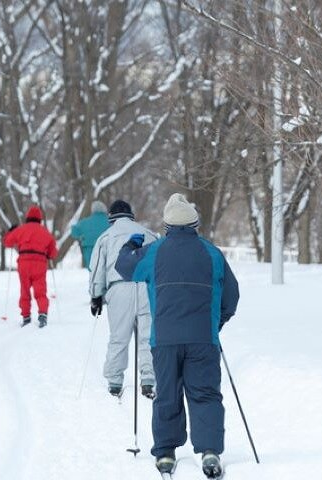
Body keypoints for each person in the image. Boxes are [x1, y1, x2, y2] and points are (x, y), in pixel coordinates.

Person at [115, 193, 239, 479]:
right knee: (205, 394)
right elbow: (231, 297)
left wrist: (132, 243)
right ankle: (209, 452)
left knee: (167, 395)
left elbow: (124, 267)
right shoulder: (212, 253)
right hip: (203, 339)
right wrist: (214, 324)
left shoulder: (154, 251)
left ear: (167, 225)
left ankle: (166, 453)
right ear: (195, 224)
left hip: (165, 340)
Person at [89, 200, 157, 398]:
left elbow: (97, 270)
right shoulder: (150, 234)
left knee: (119, 337)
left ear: (111, 217)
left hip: (118, 288)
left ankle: (115, 382)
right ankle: (148, 380)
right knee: (147, 336)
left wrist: (96, 296)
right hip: (145, 286)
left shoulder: (106, 237)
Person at [3, 205, 58, 328]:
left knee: (25, 291)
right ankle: (43, 314)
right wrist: (48, 254)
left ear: (27, 217)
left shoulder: (21, 229)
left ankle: (26, 316)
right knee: (41, 291)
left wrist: (11, 231)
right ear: (40, 219)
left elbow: (7, 242)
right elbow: (53, 252)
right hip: (39, 264)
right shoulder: (45, 232)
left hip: (24, 263)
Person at [71, 201, 110, 269]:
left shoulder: (85, 222)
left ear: (92, 210)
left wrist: (81, 237)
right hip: (107, 248)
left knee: (93, 271)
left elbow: (74, 232)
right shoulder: (111, 222)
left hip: (90, 249)